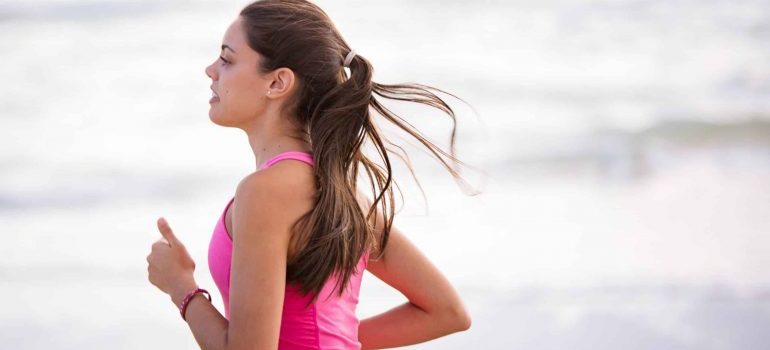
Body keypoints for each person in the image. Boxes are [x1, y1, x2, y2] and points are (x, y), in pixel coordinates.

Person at [146, 0, 476, 349]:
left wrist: (182, 287)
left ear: (277, 82)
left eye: (227, 59)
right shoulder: (342, 193)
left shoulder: (265, 193)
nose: (210, 70)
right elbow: (446, 311)